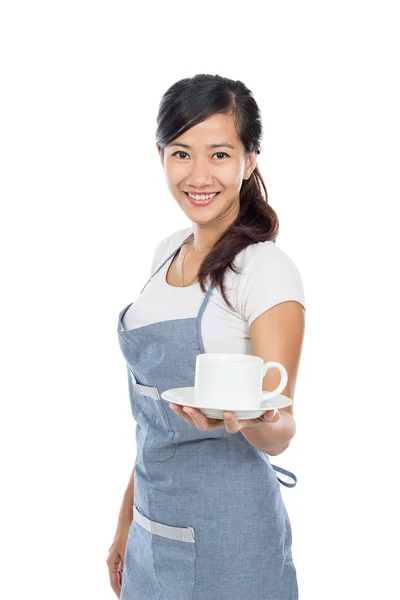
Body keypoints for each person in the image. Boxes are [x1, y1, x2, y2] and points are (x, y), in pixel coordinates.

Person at [106, 73, 306, 600]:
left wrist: (256, 420)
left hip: (230, 537)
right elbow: (153, 420)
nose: (198, 175)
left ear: (250, 158)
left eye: (219, 154)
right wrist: (127, 521)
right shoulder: (166, 253)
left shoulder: (264, 270)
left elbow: (283, 427)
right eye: (181, 153)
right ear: (161, 155)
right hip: (153, 523)